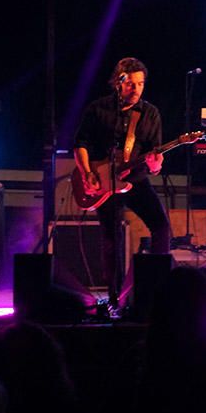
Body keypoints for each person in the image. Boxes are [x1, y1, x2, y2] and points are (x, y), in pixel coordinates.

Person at [74, 57, 171, 309]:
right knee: (111, 238)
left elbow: (155, 156)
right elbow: (81, 143)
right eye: (131, 84)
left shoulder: (150, 113)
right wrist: (87, 173)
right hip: (105, 183)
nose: (136, 89)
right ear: (119, 83)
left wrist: (155, 164)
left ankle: (157, 285)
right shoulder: (98, 109)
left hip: (136, 180)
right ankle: (114, 296)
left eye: (140, 84)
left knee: (161, 227)